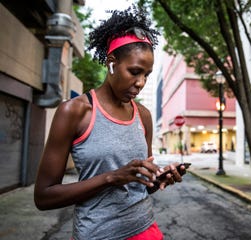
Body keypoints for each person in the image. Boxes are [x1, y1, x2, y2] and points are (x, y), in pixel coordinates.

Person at [34, 6, 187, 240]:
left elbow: (141, 184)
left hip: (145, 229)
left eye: (146, 74)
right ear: (112, 62)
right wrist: (111, 177)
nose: (141, 82)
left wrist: (159, 178)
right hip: (97, 234)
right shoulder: (74, 111)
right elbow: (43, 197)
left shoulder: (143, 115)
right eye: (134, 71)